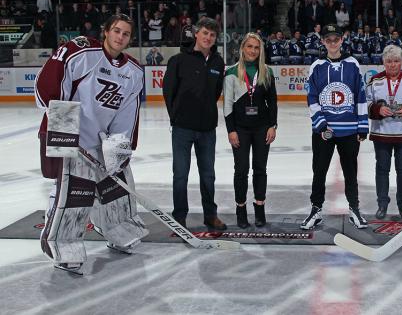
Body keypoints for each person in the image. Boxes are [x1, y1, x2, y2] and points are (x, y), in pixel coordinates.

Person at [35, 14, 148, 274]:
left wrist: (119, 149)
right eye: (116, 31)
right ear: (106, 31)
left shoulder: (133, 71)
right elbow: (49, 85)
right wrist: (64, 135)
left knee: (118, 188)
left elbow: (128, 114)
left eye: (126, 34)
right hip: (69, 137)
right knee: (74, 192)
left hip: (101, 143)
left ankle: (120, 228)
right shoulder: (80, 51)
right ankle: (64, 242)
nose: (120, 37)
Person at [301, 24, 369, 230]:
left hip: (349, 130)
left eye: (336, 39)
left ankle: (354, 208)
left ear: (342, 40)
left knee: (350, 171)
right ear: (322, 41)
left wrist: (362, 125)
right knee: (319, 171)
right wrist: (321, 124)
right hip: (324, 131)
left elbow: (360, 95)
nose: (332, 43)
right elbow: (312, 97)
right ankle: (316, 209)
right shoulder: (317, 66)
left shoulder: (353, 64)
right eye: (328, 39)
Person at [162, 17, 227, 231]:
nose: (208, 37)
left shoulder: (218, 62)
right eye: (205, 33)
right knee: (180, 174)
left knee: (208, 175)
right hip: (182, 128)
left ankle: (211, 215)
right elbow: (168, 92)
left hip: (207, 129)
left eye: (212, 34)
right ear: (196, 34)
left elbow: (216, 92)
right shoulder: (178, 60)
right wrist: (177, 116)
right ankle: (179, 217)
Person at [223, 33, 278, 228]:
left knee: (260, 169)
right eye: (250, 47)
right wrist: (231, 130)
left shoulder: (267, 72)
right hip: (240, 129)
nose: (253, 51)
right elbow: (227, 104)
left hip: (262, 128)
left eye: (256, 47)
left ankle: (260, 208)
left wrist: (273, 125)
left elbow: (272, 102)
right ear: (242, 48)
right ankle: (240, 209)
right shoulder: (231, 73)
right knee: (241, 170)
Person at [366, 45, 402, 220]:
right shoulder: (375, 80)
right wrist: (377, 109)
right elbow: (366, 103)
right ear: (383, 62)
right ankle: (382, 204)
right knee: (382, 170)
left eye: (396, 61)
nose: (392, 65)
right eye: (389, 61)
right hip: (381, 134)